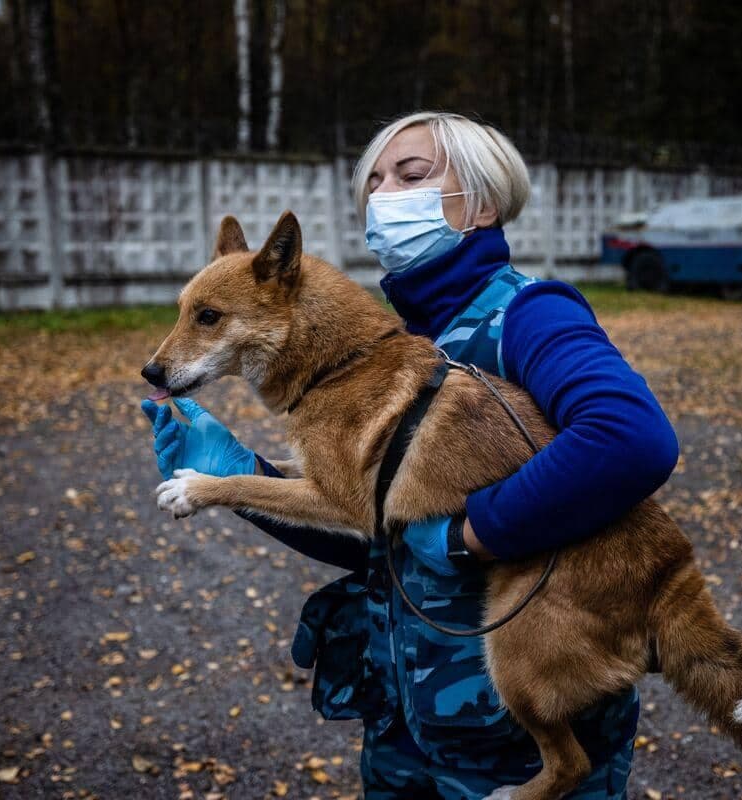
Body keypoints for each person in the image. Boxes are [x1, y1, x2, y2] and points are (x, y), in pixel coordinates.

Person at [140, 112, 679, 799]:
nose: (383, 194)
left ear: (481, 202)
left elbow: (632, 437)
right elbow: (384, 535)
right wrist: (245, 479)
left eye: (411, 175)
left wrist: (473, 533)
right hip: (409, 723)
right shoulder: (392, 339)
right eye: (373, 182)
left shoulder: (526, 315)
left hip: (521, 732)